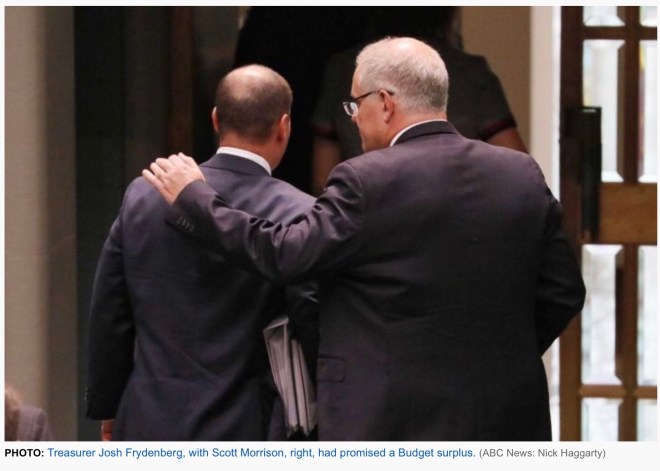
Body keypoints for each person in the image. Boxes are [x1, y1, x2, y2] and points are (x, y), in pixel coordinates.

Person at [143, 37, 586, 441]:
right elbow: (565, 291)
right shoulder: (520, 173)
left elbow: (284, 254)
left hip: (392, 421)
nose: (352, 118)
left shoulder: (365, 180)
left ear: (386, 103)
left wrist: (196, 198)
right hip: (507, 417)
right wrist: (499, 358)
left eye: (355, 105)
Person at [85, 65, 318, 441]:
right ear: (284, 126)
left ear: (214, 119)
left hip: (147, 421)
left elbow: (110, 315)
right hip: (246, 428)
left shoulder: (144, 194)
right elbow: (310, 324)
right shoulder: (300, 213)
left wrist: (107, 407)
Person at [311, 7, 527, 195]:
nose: (354, 118)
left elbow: (323, 180)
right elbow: (515, 169)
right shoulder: (470, 72)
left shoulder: (342, 68)